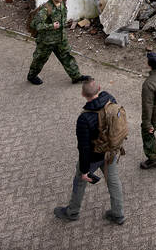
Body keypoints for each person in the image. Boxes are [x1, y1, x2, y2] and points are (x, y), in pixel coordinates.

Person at [54, 80, 126, 225]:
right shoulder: (110, 100)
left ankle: (72, 212)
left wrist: (85, 170)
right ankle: (118, 214)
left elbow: (84, 148)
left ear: (82, 94)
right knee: (113, 182)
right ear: (99, 88)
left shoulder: (84, 118)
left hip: (93, 156)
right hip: (110, 152)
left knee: (80, 182)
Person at [28, 0, 90, 85]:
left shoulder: (62, 3)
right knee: (40, 59)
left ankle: (76, 76)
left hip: (61, 38)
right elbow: (37, 25)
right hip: (46, 41)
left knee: (67, 57)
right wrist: (51, 26)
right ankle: (32, 76)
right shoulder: (46, 9)